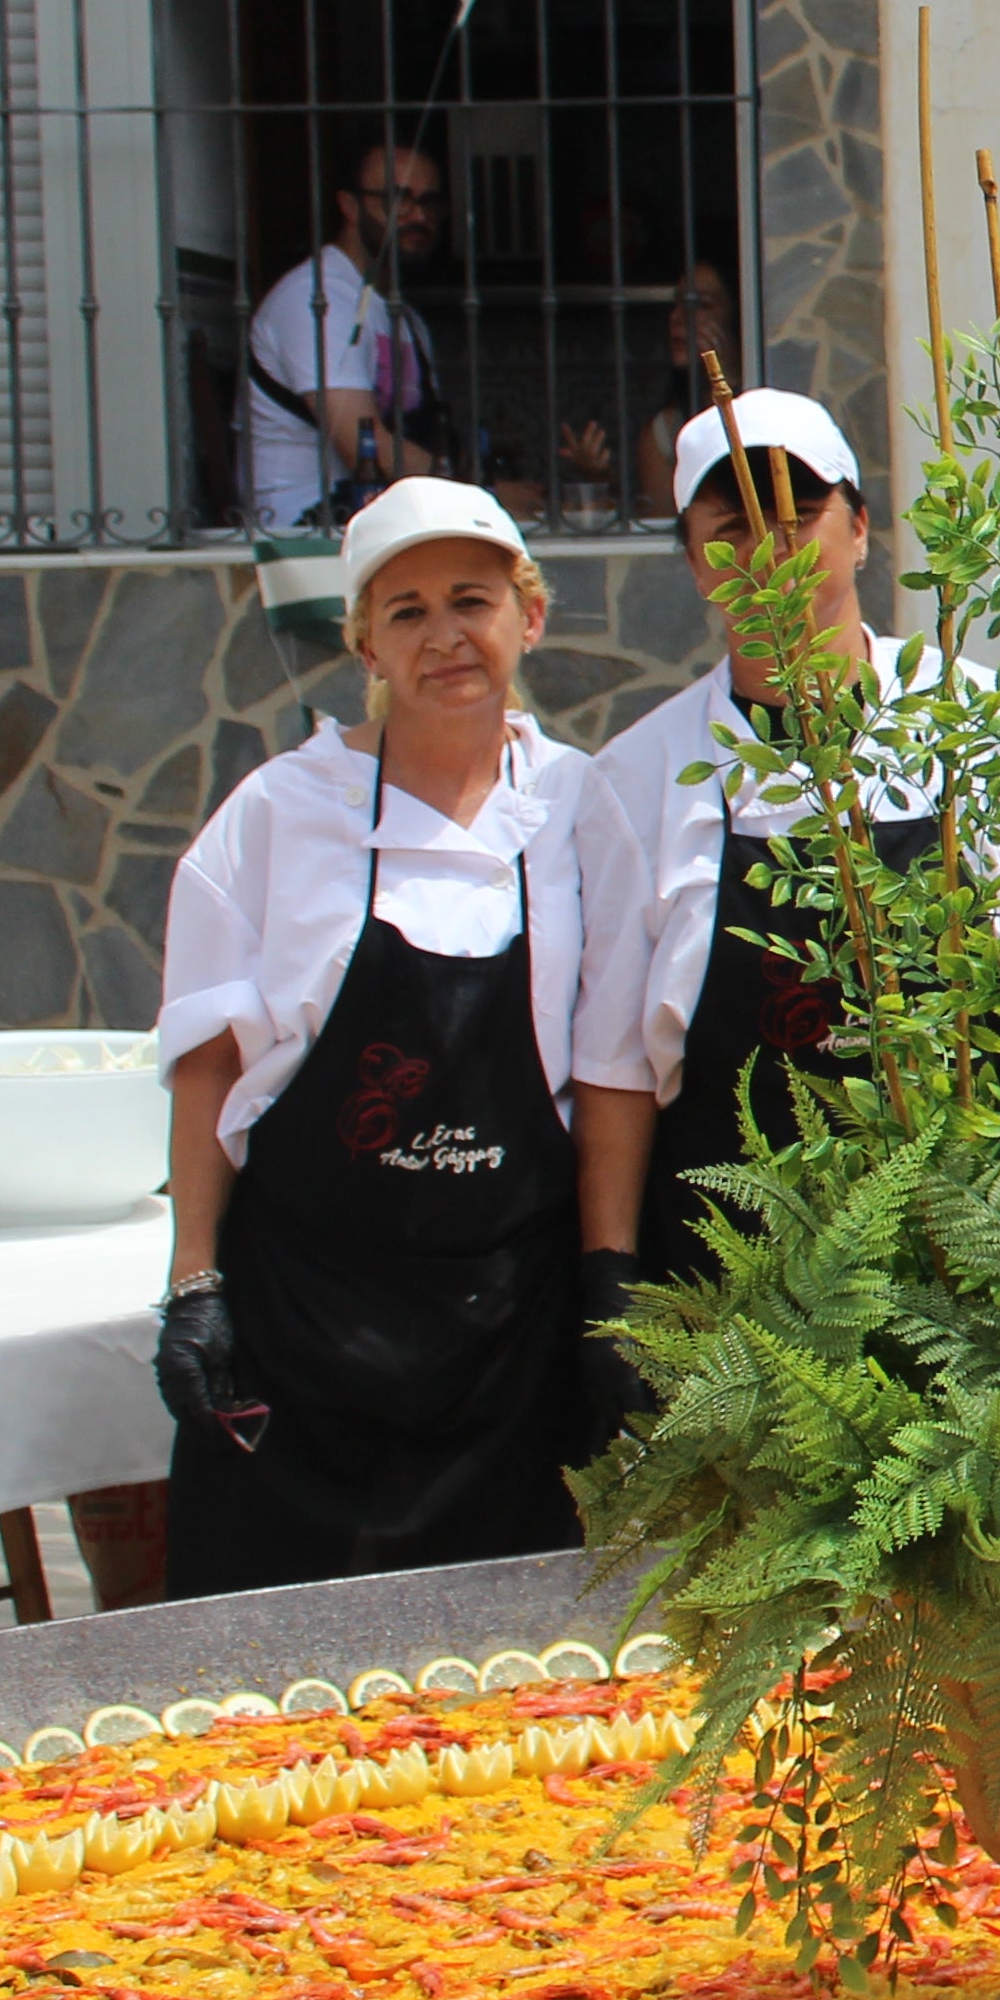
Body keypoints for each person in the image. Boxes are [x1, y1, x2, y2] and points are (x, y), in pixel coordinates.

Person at [149, 478, 656, 1593]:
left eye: (472, 600)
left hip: (501, 1340)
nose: (446, 638)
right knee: (262, 1688)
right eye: (407, 610)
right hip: (300, 1323)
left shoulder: (580, 808)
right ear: (365, 645)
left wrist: (609, 1277)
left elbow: (612, 1063)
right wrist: (195, 1285)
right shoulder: (280, 815)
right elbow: (209, 1060)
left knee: (507, 1692)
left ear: (528, 616)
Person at [588, 389, 1000, 1287]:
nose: (767, 551)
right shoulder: (635, 777)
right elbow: (614, 1062)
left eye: (799, 515)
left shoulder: (985, 723)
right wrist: (607, 1268)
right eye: (732, 525)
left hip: (976, 1253)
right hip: (738, 1278)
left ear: (859, 528)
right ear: (696, 562)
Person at [243, 139, 441, 529]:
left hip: (376, 519)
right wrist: (479, 493)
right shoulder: (316, 299)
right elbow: (367, 450)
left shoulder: (404, 318)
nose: (418, 214)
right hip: (307, 529)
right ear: (349, 206)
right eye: (397, 198)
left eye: (430, 202)